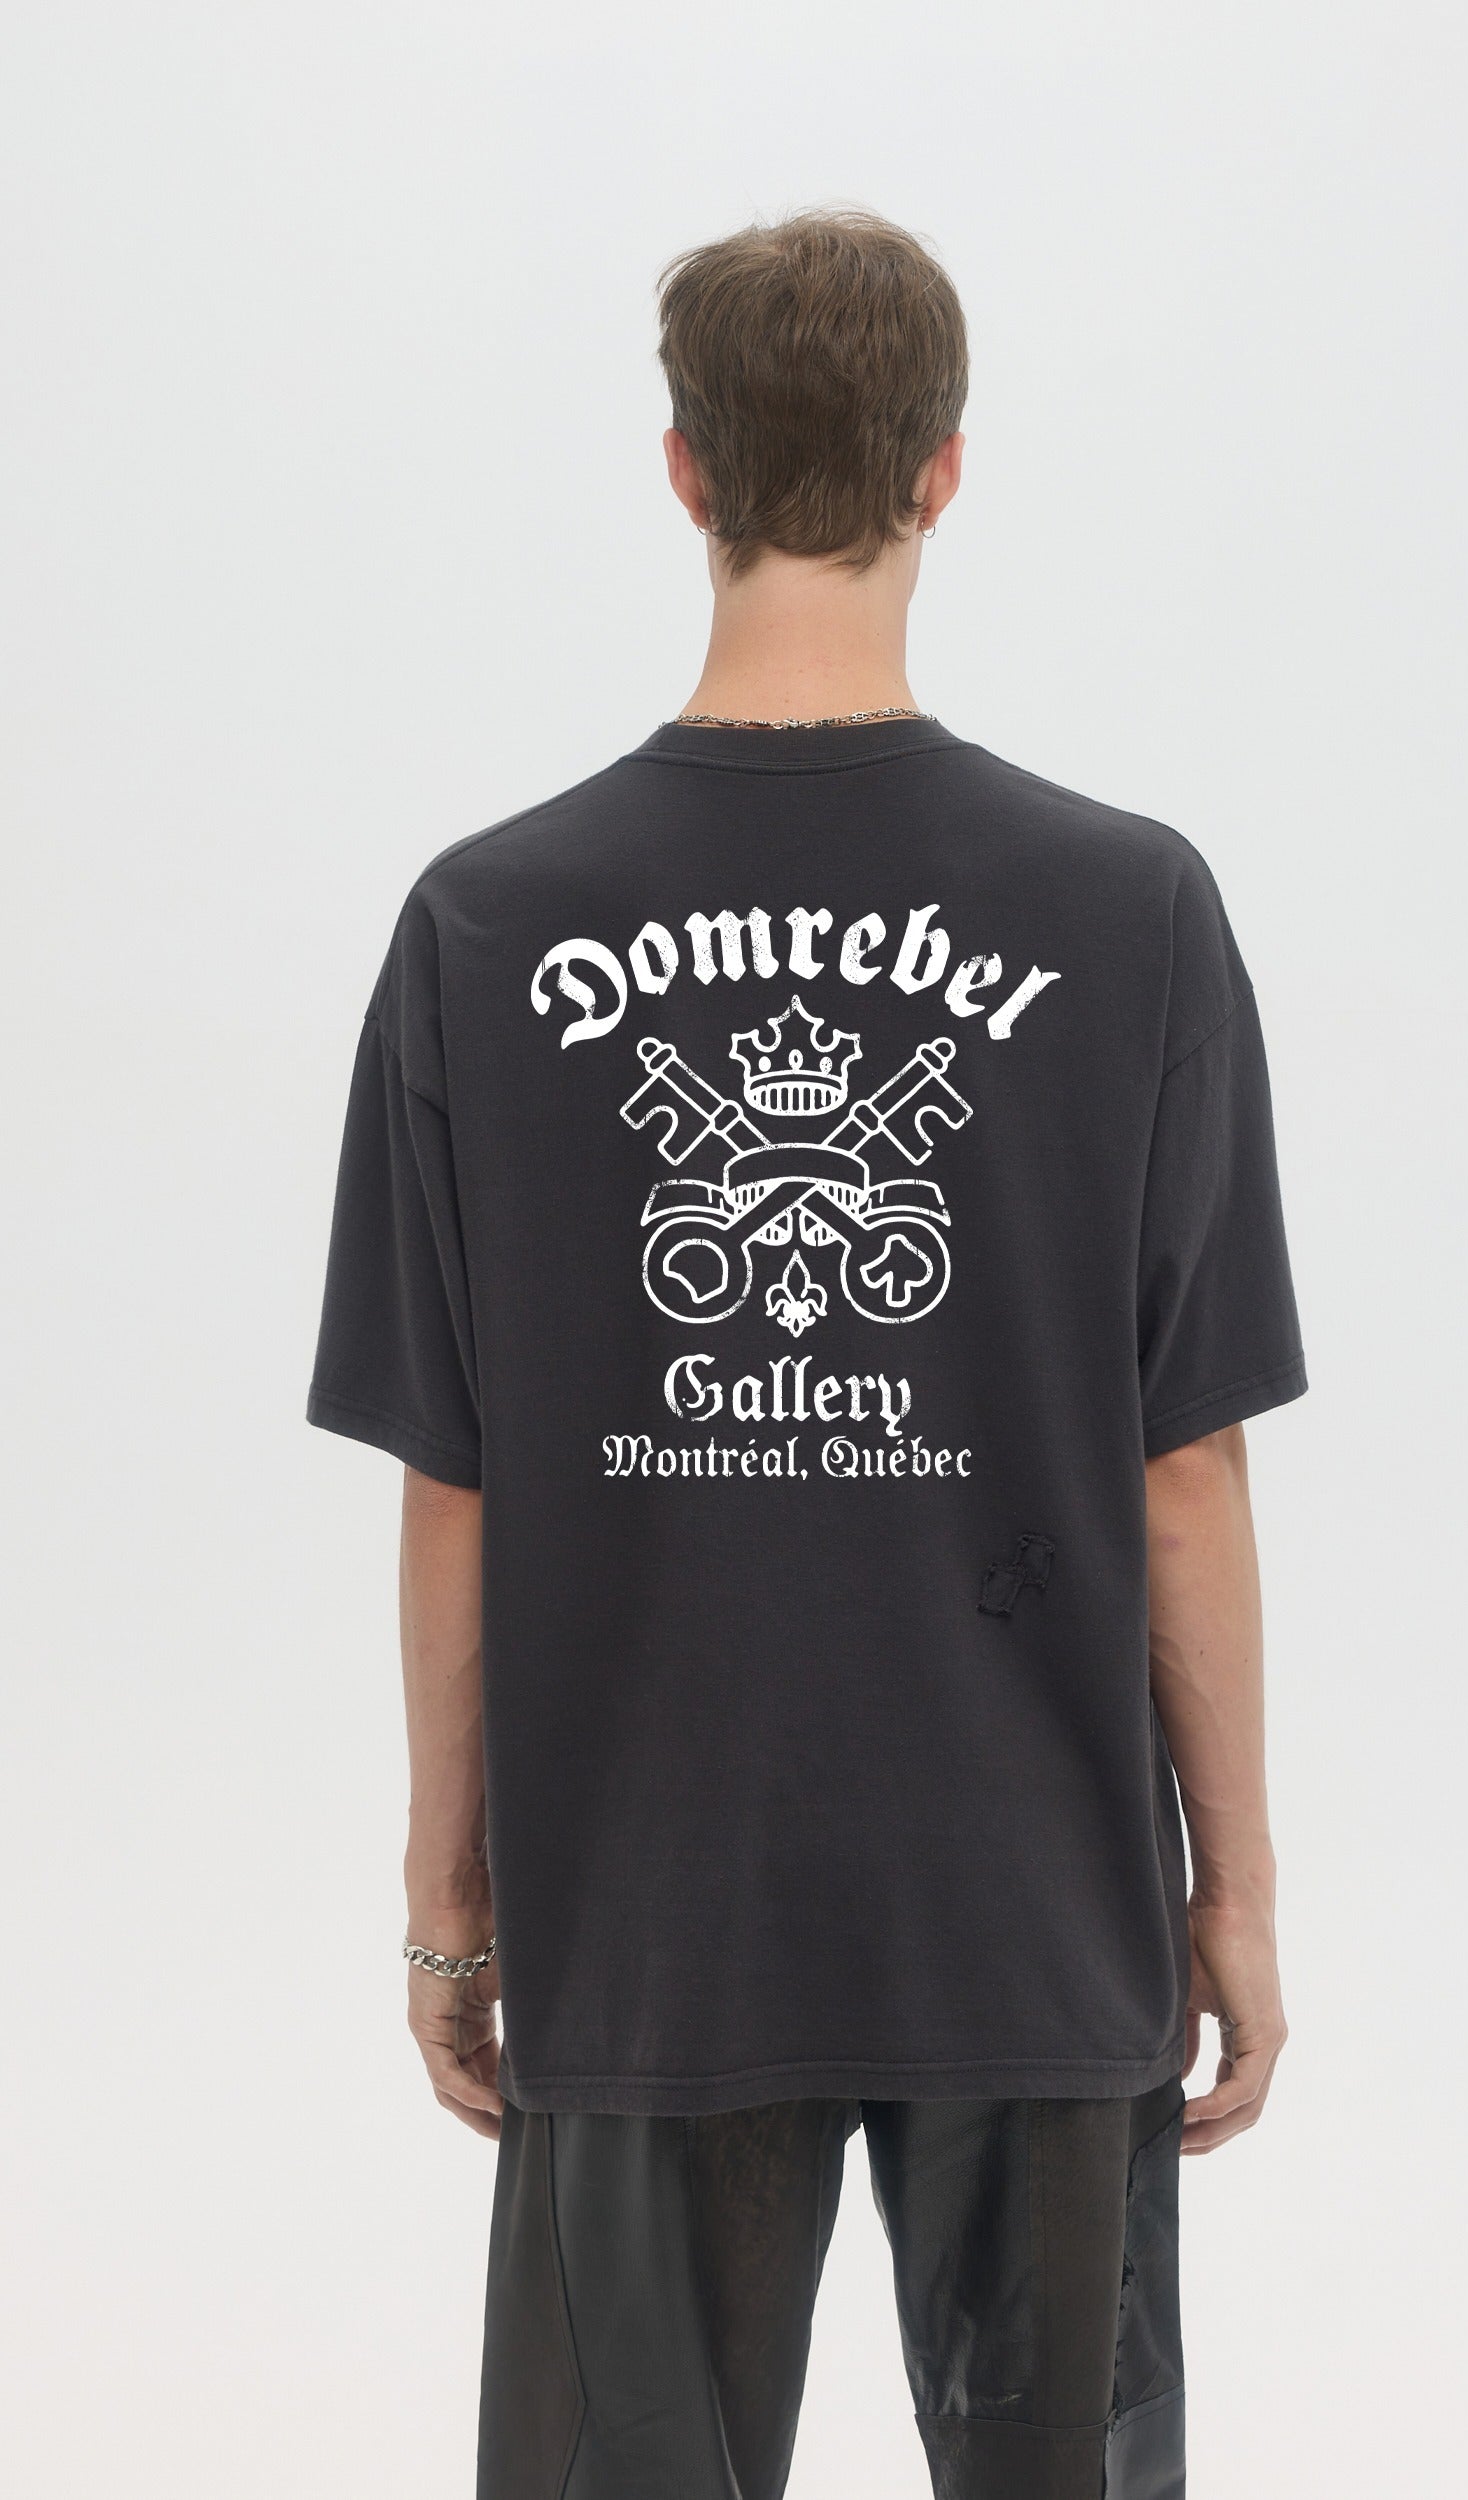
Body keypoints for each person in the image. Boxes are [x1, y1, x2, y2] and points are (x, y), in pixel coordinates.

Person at [309, 208, 1306, 2500]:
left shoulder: (488, 921)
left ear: (684, 468)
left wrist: (453, 1898)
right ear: (944, 468)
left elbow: (455, 1479)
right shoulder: (1130, 908)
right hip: (1032, 1895)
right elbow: (1185, 1466)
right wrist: (1233, 1890)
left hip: (650, 1903)